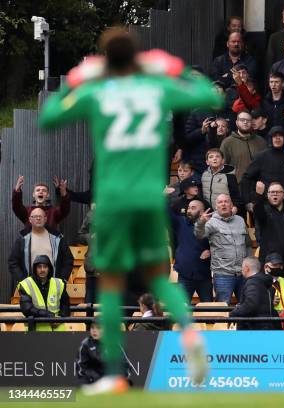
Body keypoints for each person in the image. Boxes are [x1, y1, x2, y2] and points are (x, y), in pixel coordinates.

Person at [38, 29, 221, 392]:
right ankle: (190, 335)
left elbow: (49, 117)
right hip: (149, 200)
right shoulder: (156, 89)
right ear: (138, 59)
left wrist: (78, 78)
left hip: (115, 202)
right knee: (156, 279)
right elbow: (211, 95)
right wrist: (172, 67)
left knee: (110, 280)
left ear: (106, 61)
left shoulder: (98, 91)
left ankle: (110, 371)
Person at [194, 194, 249, 304]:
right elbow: (199, 234)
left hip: (242, 273)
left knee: (246, 305)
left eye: (226, 201)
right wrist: (201, 222)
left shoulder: (240, 220)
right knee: (222, 307)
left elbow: (247, 244)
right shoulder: (211, 222)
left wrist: (249, 265)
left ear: (231, 205)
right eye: (220, 202)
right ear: (216, 206)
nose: (223, 204)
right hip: (223, 275)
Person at [8, 208, 73, 284]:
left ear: (45, 219)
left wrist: (62, 280)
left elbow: (68, 260)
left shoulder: (57, 238)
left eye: (41, 216)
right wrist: (23, 281)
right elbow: (13, 262)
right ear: (30, 220)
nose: (38, 218)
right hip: (30, 286)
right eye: (35, 216)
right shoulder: (22, 239)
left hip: (53, 285)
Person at [169, 200, 213, 302]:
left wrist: (211, 252)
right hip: (185, 276)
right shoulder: (180, 222)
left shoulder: (211, 225)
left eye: (193, 208)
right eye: (188, 208)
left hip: (204, 276)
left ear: (202, 212)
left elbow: (220, 245)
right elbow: (166, 214)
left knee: (209, 311)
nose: (189, 210)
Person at [253, 181, 284, 274]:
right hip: (269, 261)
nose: (275, 194)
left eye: (278, 192)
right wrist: (259, 195)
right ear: (267, 195)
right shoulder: (263, 210)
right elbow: (257, 211)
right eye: (272, 192)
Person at [18, 254, 70, 331]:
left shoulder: (59, 283)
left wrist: (60, 319)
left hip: (58, 330)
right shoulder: (26, 284)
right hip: (36, 331)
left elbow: (65, 305)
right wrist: (48, 316)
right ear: (35, 269)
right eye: (39, 267)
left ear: (49, 269)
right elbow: (27, 309)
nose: (42, 269)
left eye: (45, 267)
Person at [229, 256, 278, 330]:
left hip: (255, 329)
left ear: (246, 268)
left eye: (242, 267)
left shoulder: (253, 283)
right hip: (265, 326)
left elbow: (250, 304)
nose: (241, 270)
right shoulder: (262, 282)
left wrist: (233, 314)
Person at [220, 110, 267, 183]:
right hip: (237, 187)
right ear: (236, 122)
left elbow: (266, 165)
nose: (245, 122)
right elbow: (222, 167)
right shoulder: (227, 142)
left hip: (257, 187)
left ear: (252, 122)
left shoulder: (261, 141)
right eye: (242, 120)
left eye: (248, 120)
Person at [263, 252, 284, 328]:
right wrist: (269, 302)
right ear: (266, 267)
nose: (278, 267)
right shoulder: (261, 283)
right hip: (272, 325)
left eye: (280, 265)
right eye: (275, 265)